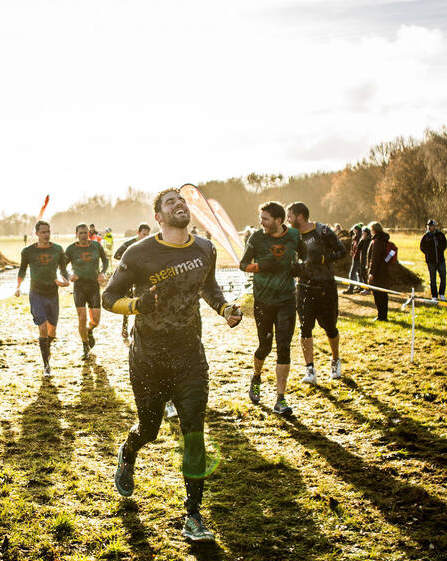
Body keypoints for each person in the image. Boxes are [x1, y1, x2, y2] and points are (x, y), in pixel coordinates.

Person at [103, 188, 242, 543]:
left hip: (189, 356)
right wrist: (137, 305)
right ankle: (128, 452)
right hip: (148, 358)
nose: (180, 205)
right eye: (170, 203)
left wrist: (224, 308)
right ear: (158, 217)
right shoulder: (139, 253)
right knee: (149, 430)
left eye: (182, 201)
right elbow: (108, 298)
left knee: (194, 431)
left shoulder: (205, 248)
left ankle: (193, 515)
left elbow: (209, 288)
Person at [240, 202, 300, 415]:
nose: (261, 222)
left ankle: (280, 399)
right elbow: (243, 264)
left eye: (265, 219)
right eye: (261, 218)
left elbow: (305, 256)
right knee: (264, 347)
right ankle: (256, 377)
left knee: (284, 347)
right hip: (263, 301)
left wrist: (300, 267)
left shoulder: (293, 236)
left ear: (278, 220)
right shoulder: (256, 238)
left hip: (286, 300)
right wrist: (260, 266)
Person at [287, 202, 345, 384]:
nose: (288, 220)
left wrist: (323, 258)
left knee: (330, 327)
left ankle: (335, 360)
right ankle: (310, 370)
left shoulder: (323, 231)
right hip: (304, 287)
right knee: (305, 327)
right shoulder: (292, 236)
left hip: (325, 286)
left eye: (290, 216)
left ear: (300, 216)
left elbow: (341, 251)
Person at [14, 220, 69, 376]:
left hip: (52, 293)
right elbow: (22, 270)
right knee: (43, 327)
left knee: (52, 331)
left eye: (48, 231)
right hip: (36, 293)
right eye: (43, 232)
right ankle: (46, 364)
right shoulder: (28, 252)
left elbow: (63, 269)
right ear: (37, 233)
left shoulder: (57, 249)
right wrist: (18, 286)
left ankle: (46, 347)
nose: (46, 234)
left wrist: (66, 281)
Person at [65, 223, 109, 360]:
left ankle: (89, 331)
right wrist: (69, 275)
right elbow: (62, 265)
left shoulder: (96, 246)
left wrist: (102, 272)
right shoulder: (71, 249)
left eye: (85, 233)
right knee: (82, 317)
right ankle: (85, 347)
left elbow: (105, 260)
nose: (83, 235)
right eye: (81, 233)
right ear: (76, 234)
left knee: (96, 320)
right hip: (79, 287)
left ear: (88, 233)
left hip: (93, 286)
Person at [113, 223, 151, 339]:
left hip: (142, 277)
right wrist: (129, 264)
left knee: (142, 300)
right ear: (138, 233)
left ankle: (135, 328)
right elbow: (116, 255)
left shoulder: (149, 244)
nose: (146, 237)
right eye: (144, 234)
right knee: (128, 300)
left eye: (148, 234)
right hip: (130, 275)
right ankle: (124, 327)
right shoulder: (129, 244)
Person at [367, 222, 390, 321]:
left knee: (378, 295)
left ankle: (381, 316)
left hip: (377, 272)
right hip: (383, 271)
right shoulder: (383, 239)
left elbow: (374, 258)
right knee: (383, 295)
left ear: (374, 230)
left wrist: (371, 273)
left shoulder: (377, 241)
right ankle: (383, 315)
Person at [419, 219, 447, 301]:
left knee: (443, 277)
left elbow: (445, 245)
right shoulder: (426, 237)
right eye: (429, 226)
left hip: (441, 260)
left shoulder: (441, 235)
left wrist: (440, 251)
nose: (430, 227)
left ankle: (441, 294)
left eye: (431, 226)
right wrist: (428, 254)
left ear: (435, 226)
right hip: (431, 262)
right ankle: (434, 295)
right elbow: (422, 247)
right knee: (433, 279)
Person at [343, 224, 363, 294]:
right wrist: (352, 251)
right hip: (355, 257)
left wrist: (355, 253)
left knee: (352, 273)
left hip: (357, 258)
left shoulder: (359, 237)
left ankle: (351, 288)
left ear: (357, 230)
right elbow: (353, 245)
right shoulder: (355, 237)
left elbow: (358, 248)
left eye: (354, 229)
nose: (353, 231)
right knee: (358, 273)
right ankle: (360, 287)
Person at [357, 227, 372, 293]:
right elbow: (358, 248)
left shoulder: (370, 240)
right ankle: (365, 288)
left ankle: (368, 289)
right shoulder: (363, 240)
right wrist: (362, 240)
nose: (362, 233)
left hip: (367, 259)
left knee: (366, 274)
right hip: (362, 259)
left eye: (364, 232)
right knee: (362, 273)